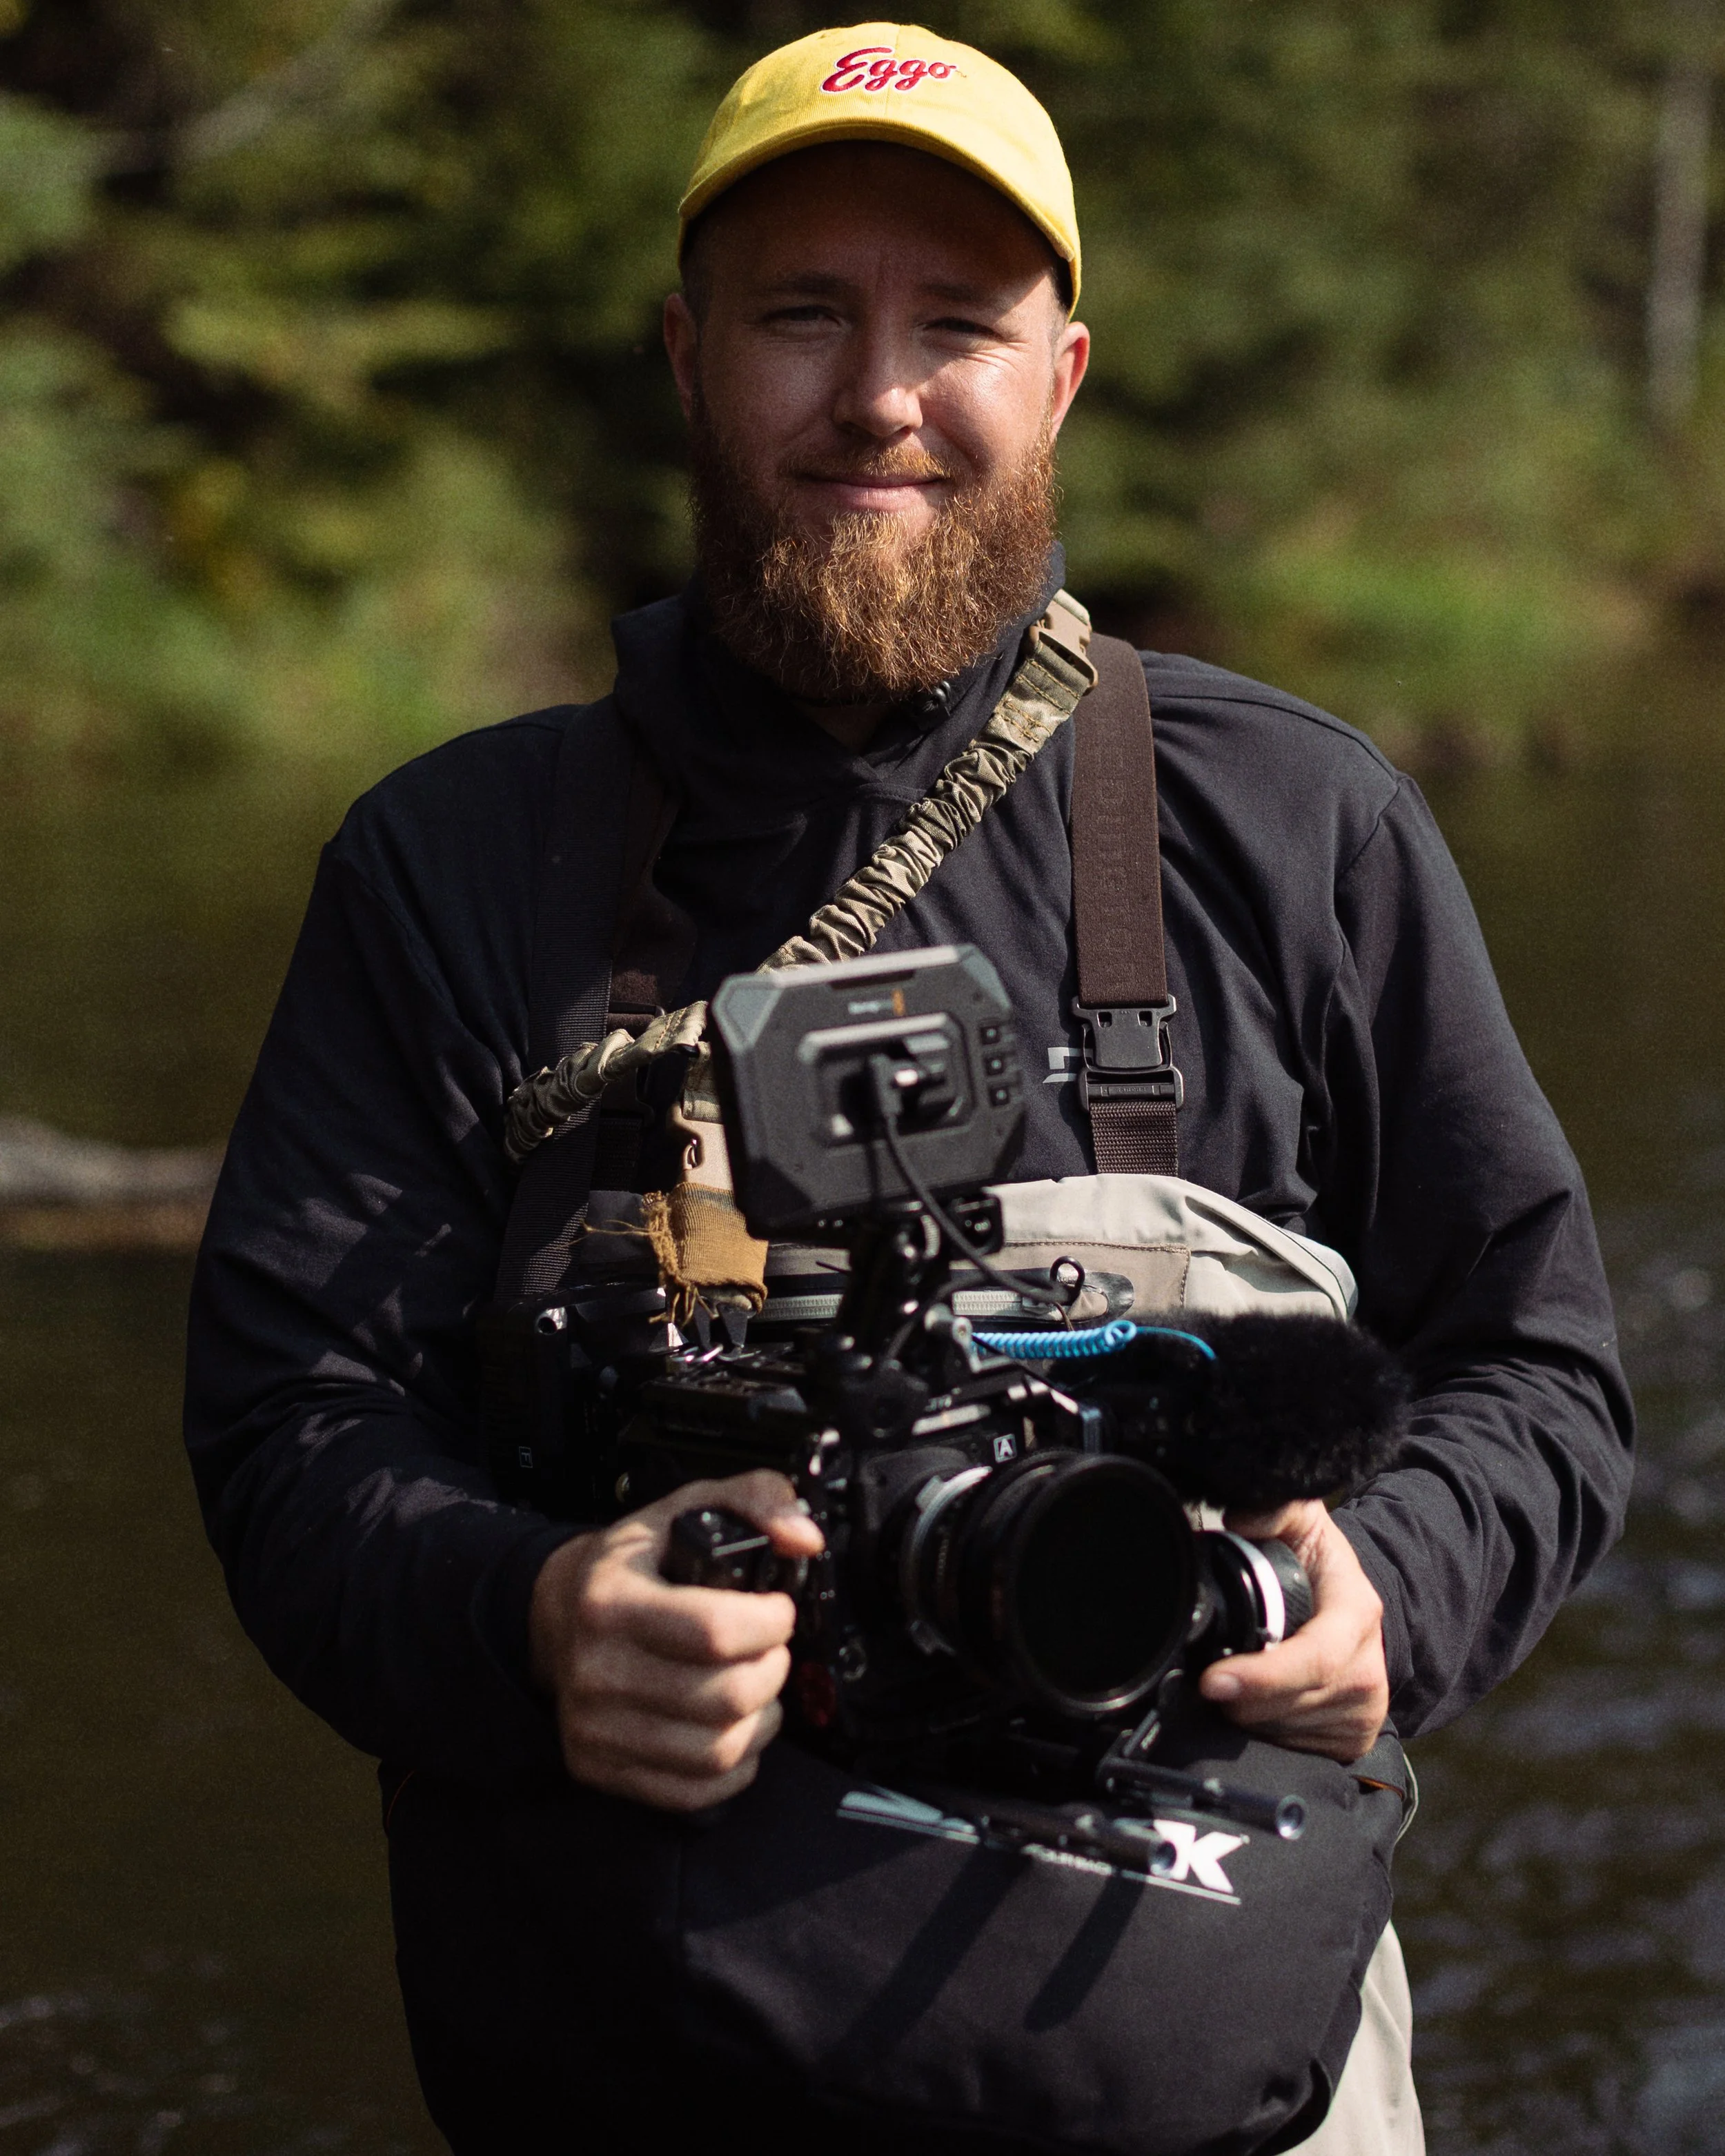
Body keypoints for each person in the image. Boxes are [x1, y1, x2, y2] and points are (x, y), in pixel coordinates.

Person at [184, 21, 1633, 2155]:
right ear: (687, 357)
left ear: (1056, 375)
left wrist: (1380, 1598)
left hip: (1225, 2039)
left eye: (955, 322)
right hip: (634, 2044)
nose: (877, 392)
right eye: (801, 315)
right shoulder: (448, 867)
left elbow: (1541, 1362)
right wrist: (529, 1613)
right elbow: (293, 1425)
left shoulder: (1296, 824)